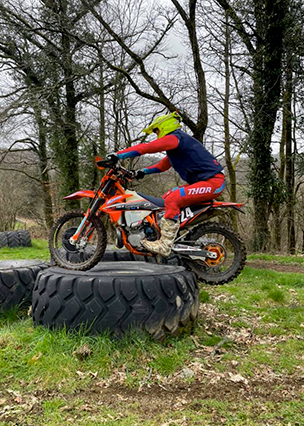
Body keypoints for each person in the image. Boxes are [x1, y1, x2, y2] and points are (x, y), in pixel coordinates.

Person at [116, 112, 225, 257]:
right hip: (204, 182)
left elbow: (147, 147)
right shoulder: (177, 145)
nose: (157, 135)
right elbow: (163, 165)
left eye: (157, 131)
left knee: (173, 198)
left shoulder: (175, 138)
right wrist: (142, 172)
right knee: (167, 197)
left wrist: (118, 155)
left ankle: (165, 244)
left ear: (164, 126)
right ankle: (167, 235)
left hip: (213, 182)